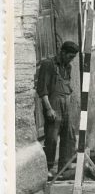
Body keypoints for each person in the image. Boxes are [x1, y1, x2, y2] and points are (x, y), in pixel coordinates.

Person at [36, 41, 79, 177]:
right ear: (62, 52)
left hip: (66, 106)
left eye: (73, 57)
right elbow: (42, 90)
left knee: (69, 136)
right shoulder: (48, 64)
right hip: (53, 106)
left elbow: (67, 87)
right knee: (52, 138)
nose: (71, 59)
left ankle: (64, 168)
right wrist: (48, 109)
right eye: (69, 56)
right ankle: (48, 169)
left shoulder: (68, 67)